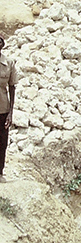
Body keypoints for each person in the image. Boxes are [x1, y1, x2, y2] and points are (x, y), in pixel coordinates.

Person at [0, 34, 19, 181]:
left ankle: (0, 172)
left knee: (2, 142)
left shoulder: (9, 63)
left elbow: (12, 87)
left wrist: (10, 113)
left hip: (2, 109)